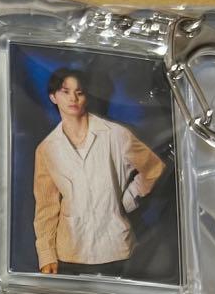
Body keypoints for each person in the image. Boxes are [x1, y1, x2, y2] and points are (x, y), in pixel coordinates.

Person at [32, 67, 166, 277]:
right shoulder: (47, 149)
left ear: (86, 96)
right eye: (65, 92)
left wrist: (128, 200)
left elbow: (153, 169)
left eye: (79, 92)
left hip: (116, 248)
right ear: (53, 97)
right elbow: (46, 206)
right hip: (70, 253)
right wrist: (46, 255)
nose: (73, 98)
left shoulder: (116, 135)